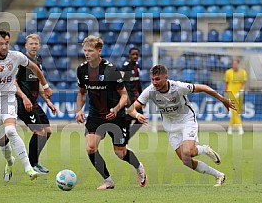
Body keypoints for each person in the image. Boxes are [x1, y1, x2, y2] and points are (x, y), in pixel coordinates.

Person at [128, 64, 236, 187]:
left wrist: (223, 100)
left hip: (186, 120)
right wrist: (137, 116)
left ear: (166, 77)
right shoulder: (150, 91)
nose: (154, 82)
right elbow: (131, 109)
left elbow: (205, 88)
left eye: (157, 79)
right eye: (152, 79)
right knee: (186, 161)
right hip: (171, 127)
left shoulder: (178, 87)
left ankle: (204, 149)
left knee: (189, 151)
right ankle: (219, 175)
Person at [0, 30, 53, 181]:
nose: (4, 46)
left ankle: (29, 168)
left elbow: (35, 68)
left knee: (10, 130)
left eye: (6, 43)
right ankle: (9, 162)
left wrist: (45, 86)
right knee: (2, 142)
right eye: (1, 43)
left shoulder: (16, 56)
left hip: (8, 99)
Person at [75, 35, 147, 190]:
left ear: (99, 51)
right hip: (95, 115)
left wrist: (115, 109)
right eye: (85, 50)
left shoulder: (111, 70)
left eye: (90, 51)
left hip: (116, 116)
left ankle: (138, 166)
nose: (87, 54)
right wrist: (79, 110)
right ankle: (108, 181)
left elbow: (124, 95)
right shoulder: (81, 70)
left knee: (120, 152)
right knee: (90, 148)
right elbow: (81, 93)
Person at [15, 34, 57, 174]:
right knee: (39, 132)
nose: (33, 46)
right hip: (23, 103)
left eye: (36, 44)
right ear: (26, 45)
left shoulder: (37, 61)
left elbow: (38, 84)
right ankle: (31, 164)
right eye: (31, 44)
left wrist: (47, 101)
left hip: (34, 103)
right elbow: (13, 82)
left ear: (39, 46)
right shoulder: (21, 61)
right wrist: (24, 97)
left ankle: (35, 162)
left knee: (48, 132)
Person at [121, 47, 143, 139]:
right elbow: (122, 83)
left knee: (139, 120)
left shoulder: (137, 66)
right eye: (133, 54)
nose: (135, 56)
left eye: (136, 54)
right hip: (129, 98)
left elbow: (138, 83)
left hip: (135, 98)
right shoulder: (126, 67)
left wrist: (142, 97)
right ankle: (124, 141)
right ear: (129, 55)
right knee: (128, 120)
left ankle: (126, 139)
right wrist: (126, 97)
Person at [224, 58, 247, 135]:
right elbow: (226, 84)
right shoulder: (228, 72)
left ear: (238, 64)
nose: (234, 65)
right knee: (235, 111)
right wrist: (225, 94)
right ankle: (240, 128)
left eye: (236, 64)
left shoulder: (243, 72)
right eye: (233, 64)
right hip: (230, 94)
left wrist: (241, 91)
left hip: (239, 95)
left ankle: (230, 128)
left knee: (235, 112)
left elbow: (244, 84)